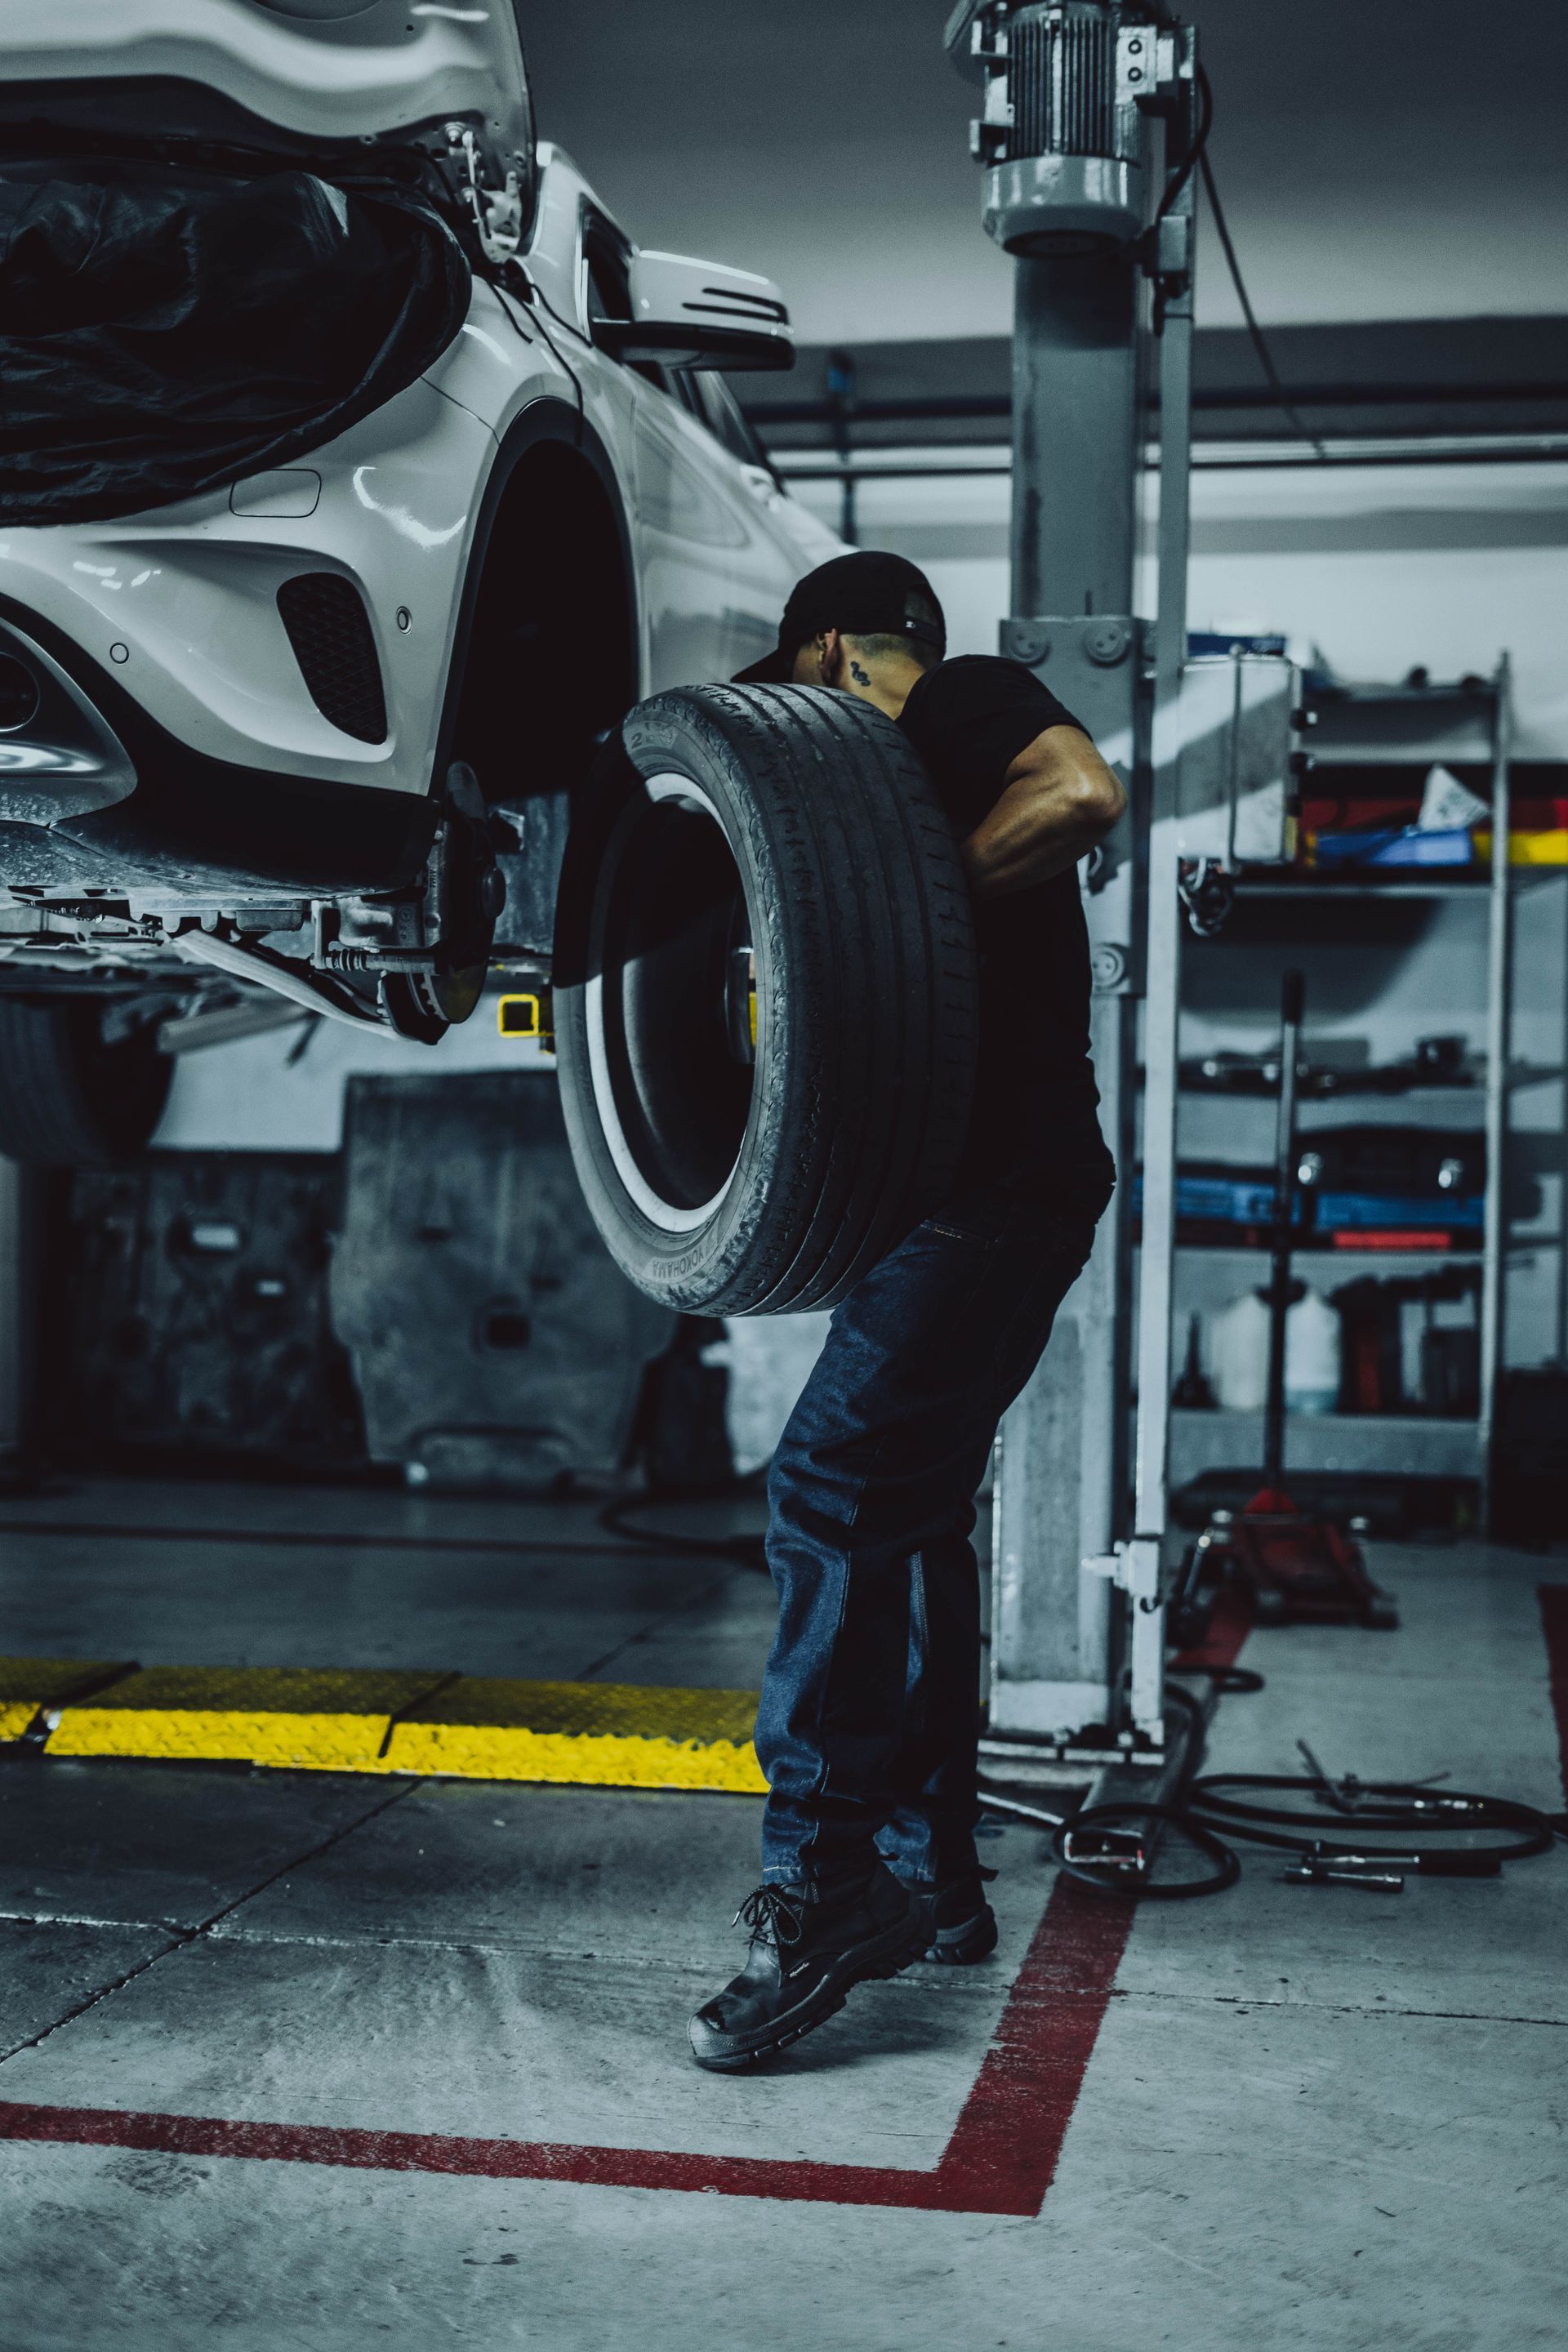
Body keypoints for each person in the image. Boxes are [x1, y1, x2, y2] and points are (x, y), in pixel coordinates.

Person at [688, 551, 1127, 2073]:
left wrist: (888, 922)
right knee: (918, 1509)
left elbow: (1079, 794)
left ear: (828, 653)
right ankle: (936, 1877)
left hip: (990, 1200)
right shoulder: (897, 790)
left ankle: (822, 1888)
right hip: (960, 1204)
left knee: (831, 1485)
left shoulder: (951, 698)